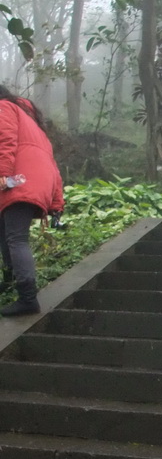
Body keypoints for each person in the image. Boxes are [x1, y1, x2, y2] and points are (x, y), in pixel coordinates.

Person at [0, 87, 64, 317]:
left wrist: (4, 176)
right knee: (6, 232)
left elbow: (4, 142)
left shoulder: (4, 108)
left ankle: (27, 298)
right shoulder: (34, 124)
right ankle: (10, 280)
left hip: (18, 179)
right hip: (36, 181)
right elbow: (52, 166)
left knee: (16, 237)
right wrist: (57, 202)